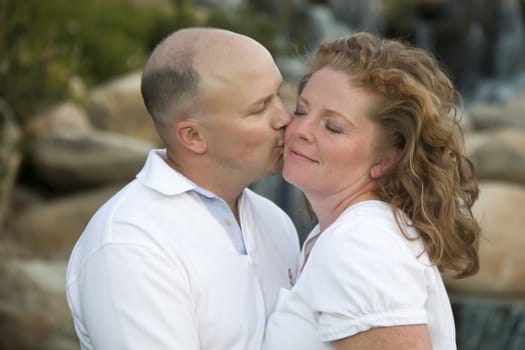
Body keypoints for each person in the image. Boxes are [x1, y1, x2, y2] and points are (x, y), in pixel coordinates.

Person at [65, 27, 300, 349]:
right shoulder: (130, 245)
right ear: (193, 137)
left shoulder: (275, 221)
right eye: (259, 108)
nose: (286, 118)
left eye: (279, 94)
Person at [263, 32, 481, 350]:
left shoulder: (359, 245)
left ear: (387, 158)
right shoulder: (351, 232)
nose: (300, 131)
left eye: (333, 126)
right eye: (301, 110)